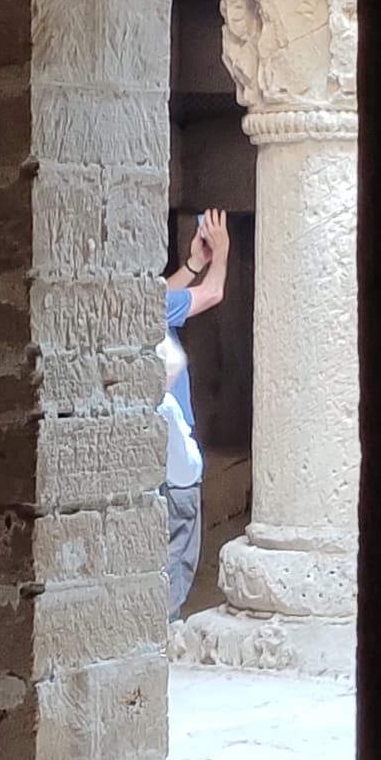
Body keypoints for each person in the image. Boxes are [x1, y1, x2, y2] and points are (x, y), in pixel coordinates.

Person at [159, 209, 227, 615]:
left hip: (165, 469)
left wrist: (192, 265)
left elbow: (157, 300)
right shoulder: (165, 405)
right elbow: (213, 293)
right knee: (175, 566)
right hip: (177, 472)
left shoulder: (134, 308)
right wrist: (221, 254)